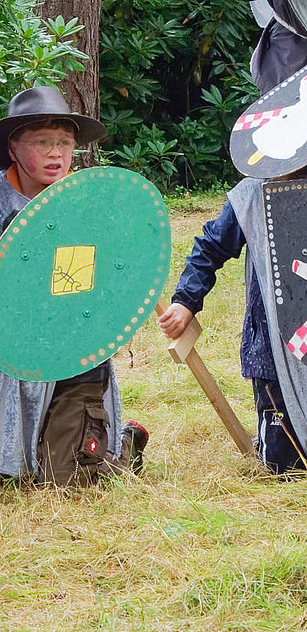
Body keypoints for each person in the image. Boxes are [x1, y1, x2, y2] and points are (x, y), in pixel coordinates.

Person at [0, 86, 148, 486]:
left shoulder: (89, 202)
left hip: (79, 357)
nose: (55, 153)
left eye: (64, 143)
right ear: (14, 148)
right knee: (4, 481)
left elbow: (123, 268)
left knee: (66, 481)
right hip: (15, 358)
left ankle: (123, 444)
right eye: (42, 142)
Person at [158, 32, 307, 474]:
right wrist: (186, 301)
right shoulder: (252, 196)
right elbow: (210, 247)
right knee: (286, 462)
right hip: (275, 348)